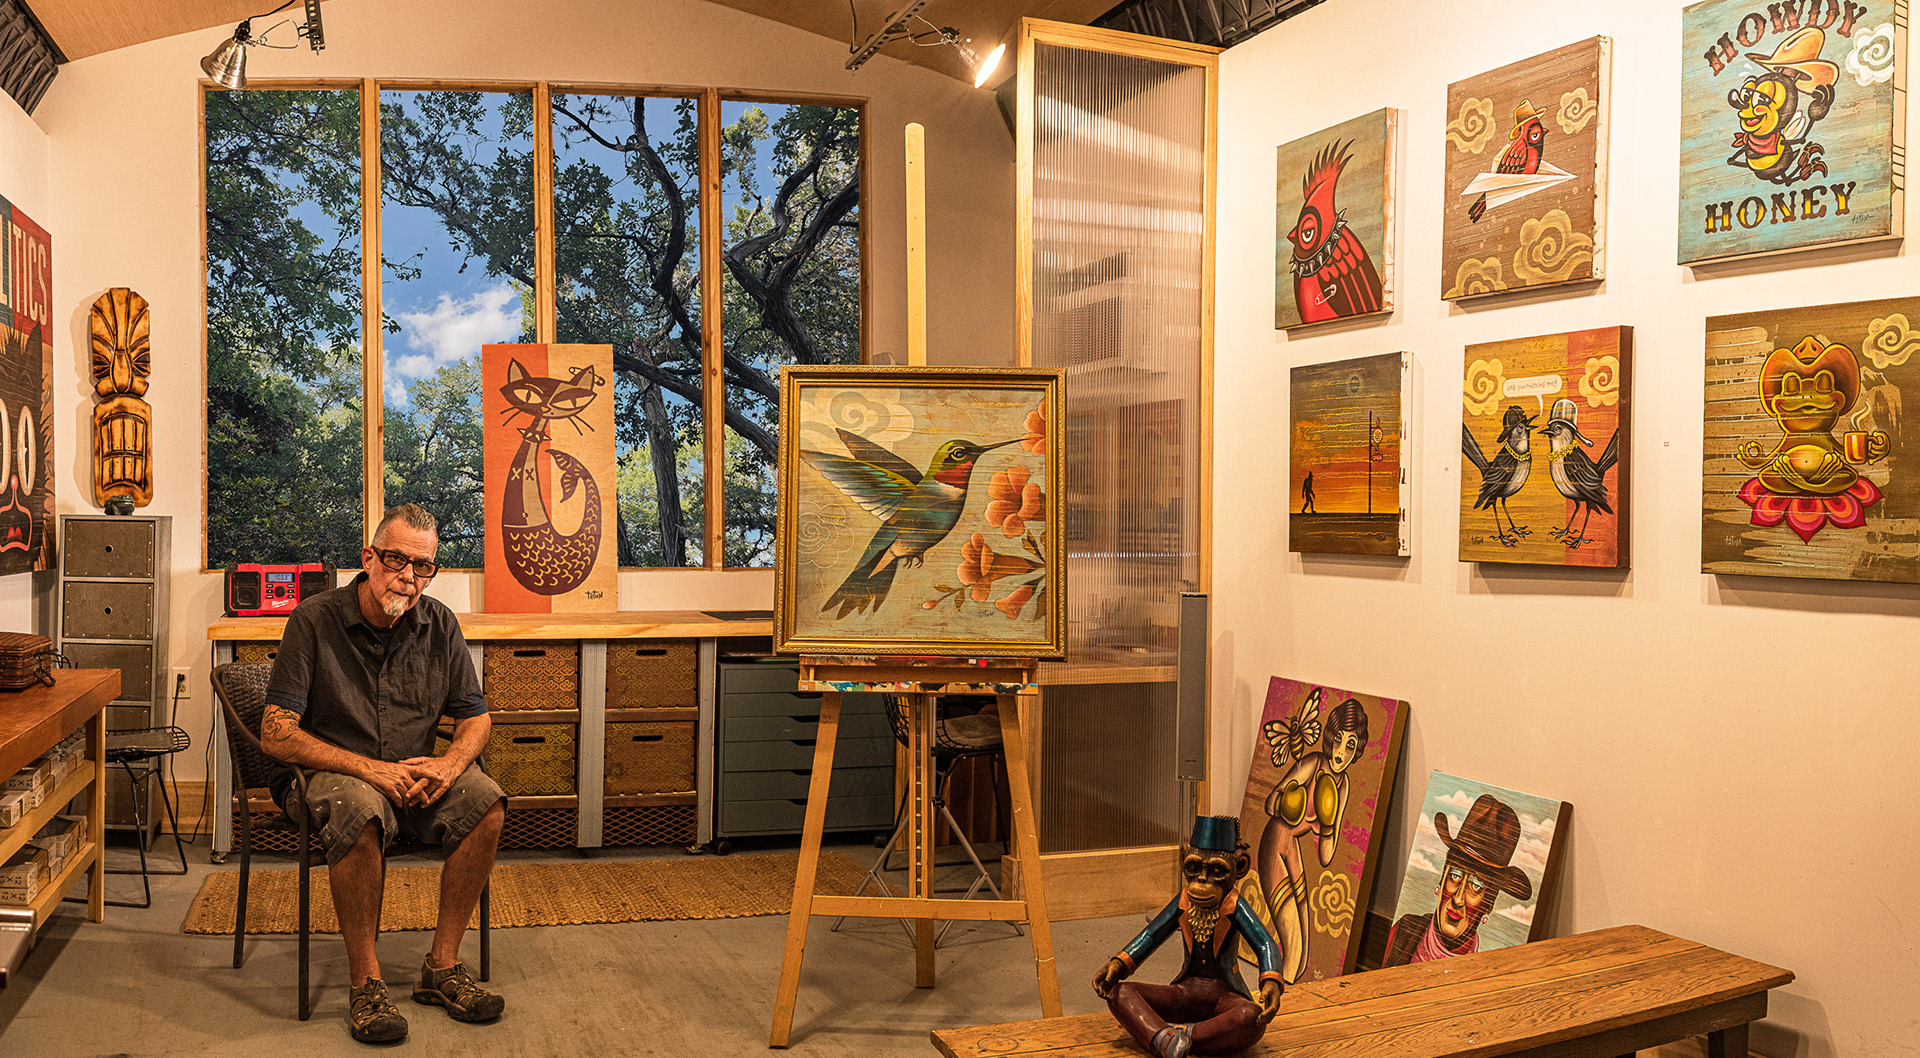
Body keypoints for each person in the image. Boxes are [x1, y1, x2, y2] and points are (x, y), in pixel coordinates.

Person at [261, 503, 507, 1042]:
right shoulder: (313, 619)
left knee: (486, 801)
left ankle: (441, 967)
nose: (409, 577)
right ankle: (366, 983)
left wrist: (450, 764)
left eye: (423, 566)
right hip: (331, 774)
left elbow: (477, 718)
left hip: (412, 774)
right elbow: (275, 733)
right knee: (359, 808)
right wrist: (369, 769)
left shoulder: (440, 623)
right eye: (396, 560)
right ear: (368, 558)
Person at [1093, 817, 1284, 1058]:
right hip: (1185, 991)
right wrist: (1119, 963)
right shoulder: (1184, 901)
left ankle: (1166, 1036)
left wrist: (1271, 981)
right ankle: (1181, 1037)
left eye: (1216, 872)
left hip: (1225, 996)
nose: (1202, 879)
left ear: (1240, 867)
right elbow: (1151, 935)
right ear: (1184, 861)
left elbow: (1264, 942)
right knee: (1119, 993)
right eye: (1194, 868)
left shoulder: (1234, 905)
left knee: (1251, 1018)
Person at [1253, 690, 1368, 983]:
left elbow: (1326, 856)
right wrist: (1291, 802)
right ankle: (1277, 1003)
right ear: (1330, 737)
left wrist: (1328, 824)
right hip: (1274, 842)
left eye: (1350, 744)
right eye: (1338, 739)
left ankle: (1286, 995)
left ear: (1357, 750)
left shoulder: (1343, 785)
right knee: (1293, 948)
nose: (1341, 751)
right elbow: (1269, 803)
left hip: (1292, 849)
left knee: (1303, 960)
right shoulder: (1314, 762)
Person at [1382, 793, 1534, 967]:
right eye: (1455, 876)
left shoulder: (1485, 969)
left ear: (1489, 905)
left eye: (1476, 886)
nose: (1458, 899)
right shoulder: (1404, 931)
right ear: (1442, 880)